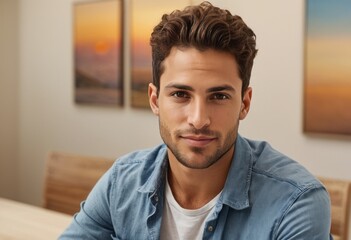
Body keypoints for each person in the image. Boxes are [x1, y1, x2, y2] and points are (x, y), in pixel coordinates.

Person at [60, 2, 332, 239]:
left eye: (219, 96)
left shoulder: (296, 202)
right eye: (180, 94)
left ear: (244, 103)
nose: (199, 119)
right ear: (155, 100)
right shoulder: (122, 182)